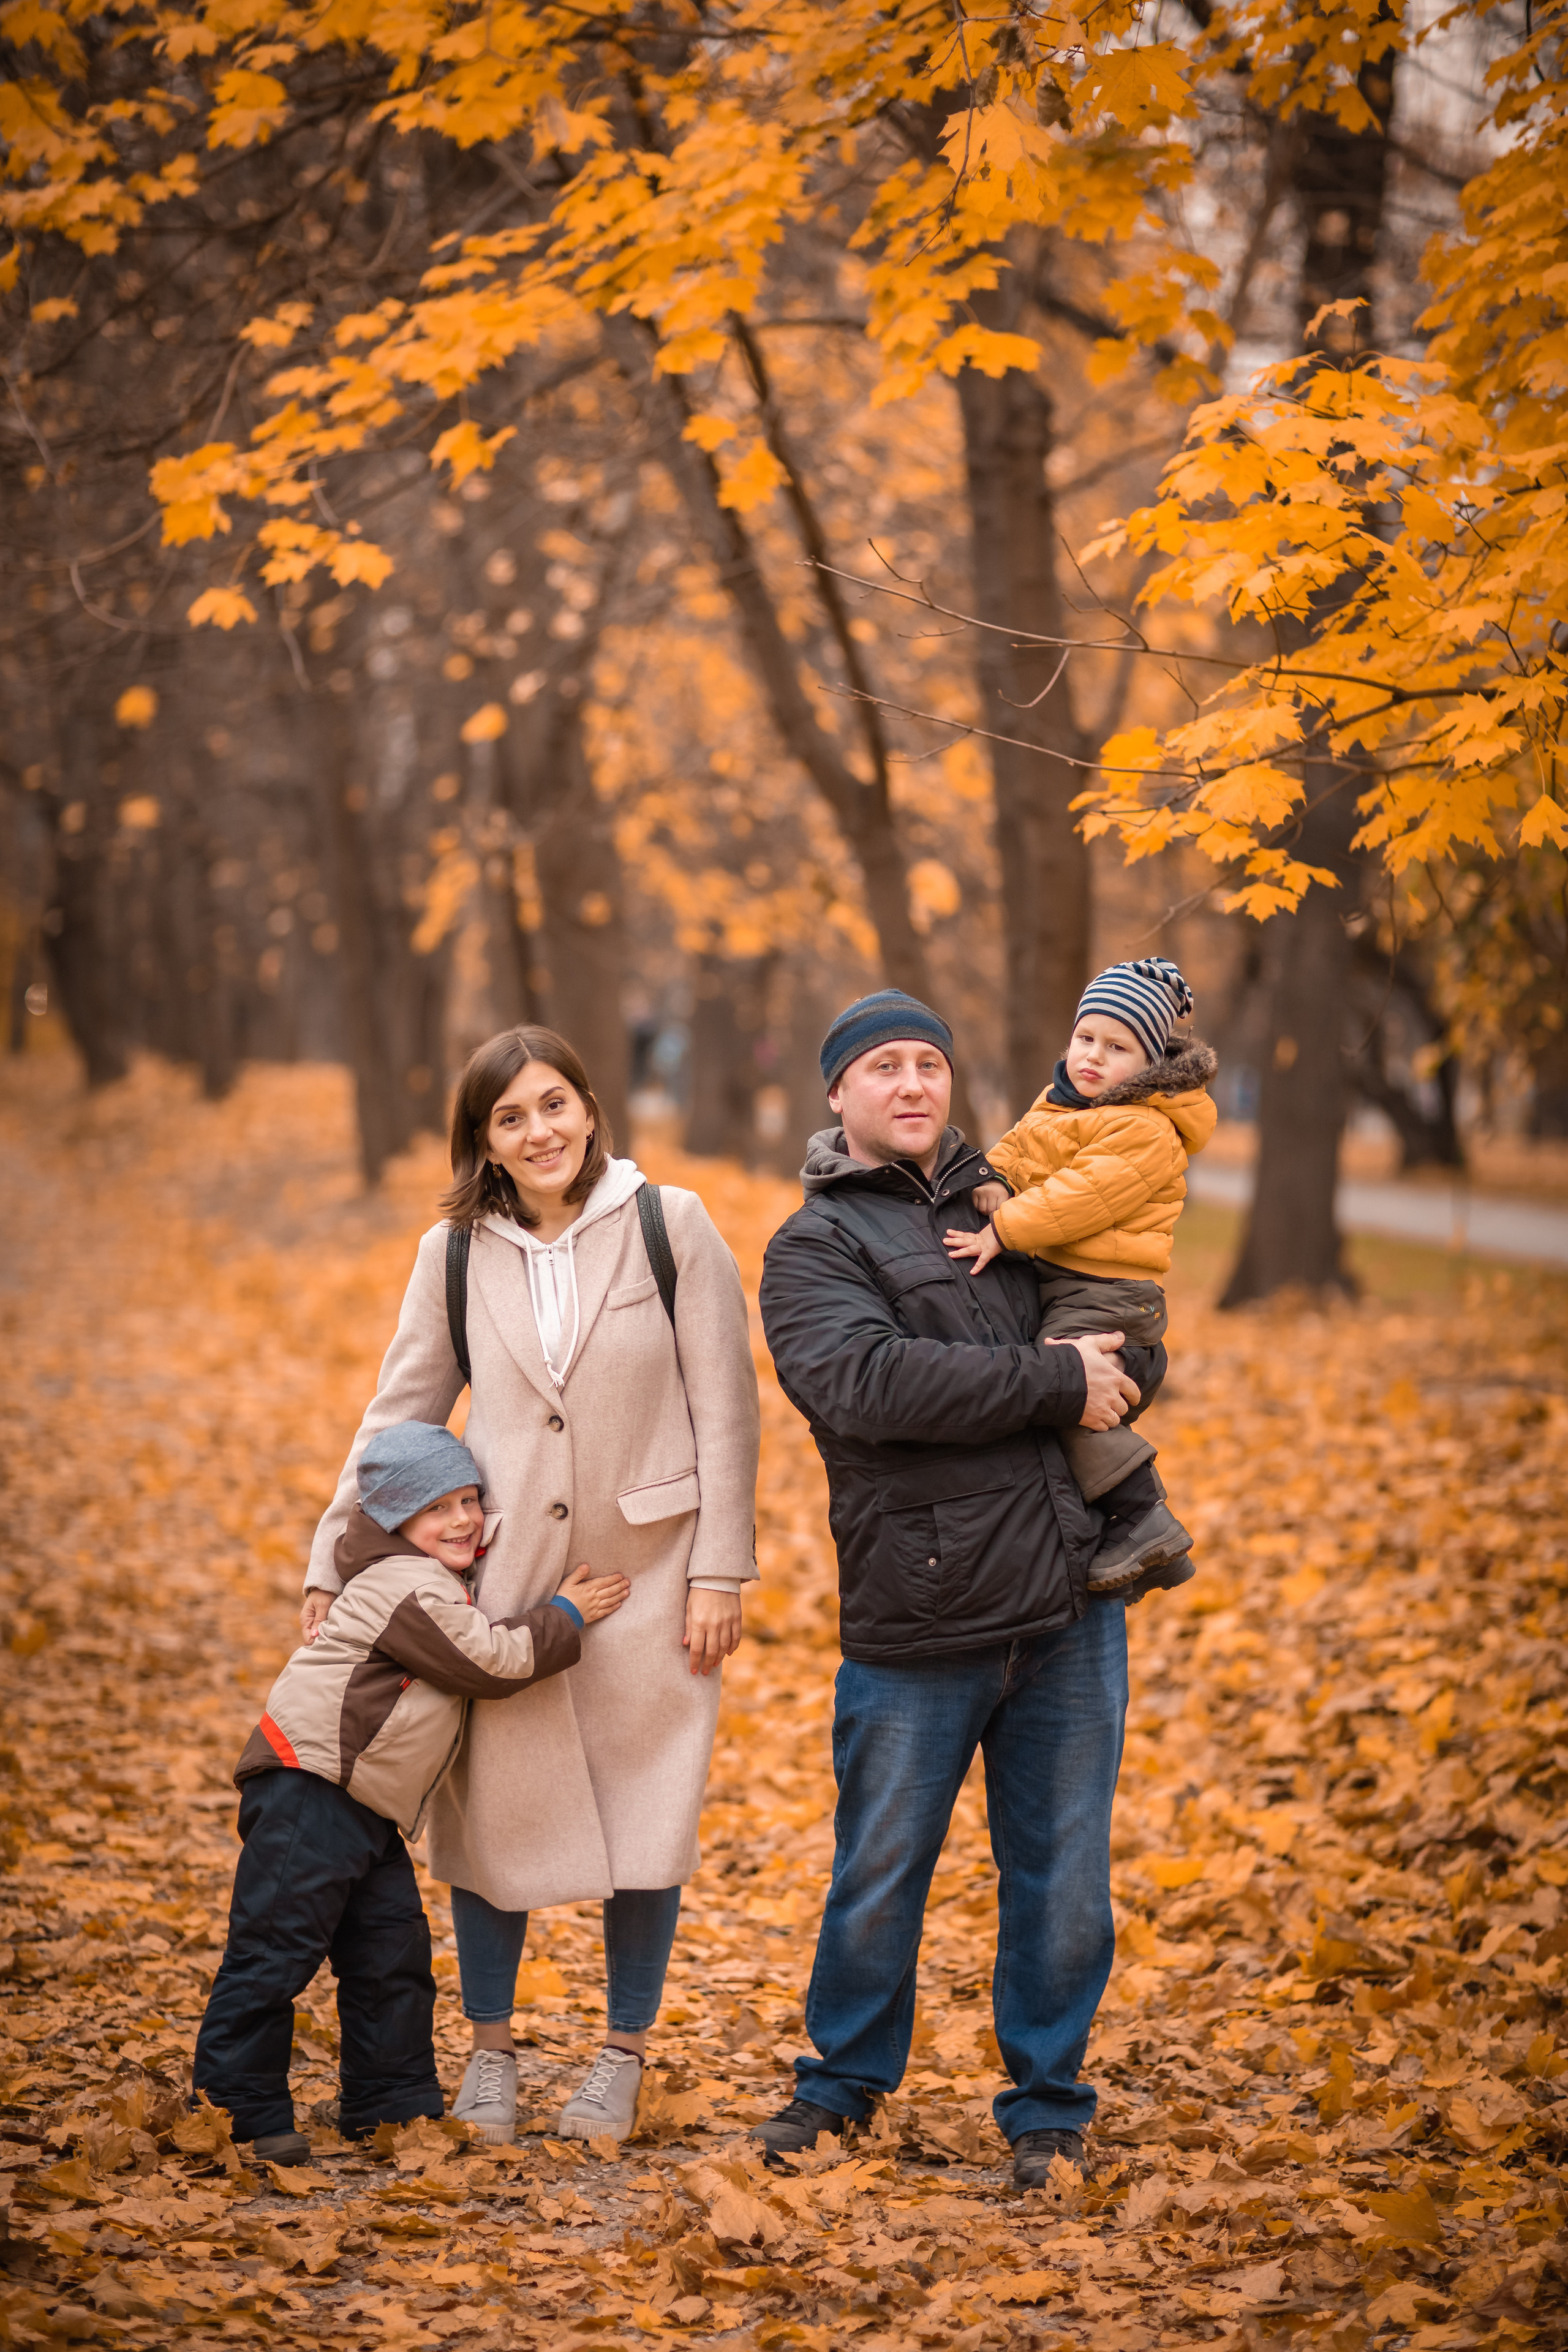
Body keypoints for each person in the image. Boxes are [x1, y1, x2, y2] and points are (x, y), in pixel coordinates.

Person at [299, 1027, 761, 2147]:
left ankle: (621, 2056)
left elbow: (727, 1404)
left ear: (590, 1109)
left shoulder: (671, 1224)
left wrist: (720, 1567)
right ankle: (493, 2054)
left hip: (651, 1576)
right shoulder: (453, 1254)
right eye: (510, 1118)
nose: (539, 1131)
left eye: (554, 1105)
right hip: (502, 1589)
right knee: (491, 1817)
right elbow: (401, 1415)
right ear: (485, 1142)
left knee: (653, 1819)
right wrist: (332, 1555)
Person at [755, 988, 1170, 2187]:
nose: (910, 1086)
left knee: (1064, 1884)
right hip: (920, 1613)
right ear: (836, 1093)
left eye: (927, 1064)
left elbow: (1122, 1340)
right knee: (880, 1873)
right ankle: (838, 2090)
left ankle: (1046, 2109)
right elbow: (868, 1390)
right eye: (881, 1066)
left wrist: (1111, 1366)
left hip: (1068, 1602)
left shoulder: (1016, 1207)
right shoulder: (815, 1246)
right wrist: (1049, 1381)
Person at [192, 1422, 627, 2165]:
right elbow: (485, 1663)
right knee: (275, 1949)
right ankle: (238, 2111)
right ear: (396, 1520)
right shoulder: (404, 1583)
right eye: (436, 1509)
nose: (461, 1520)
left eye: (468, 1500)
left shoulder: (432, 1578)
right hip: (311, 1786)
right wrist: (565, 1615)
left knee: (390, 1952)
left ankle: (391, 2104)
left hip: (364, 1805)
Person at [944, 955, 1217, 1595]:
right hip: (1070, 1281)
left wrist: (1003, 1227)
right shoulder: (1062, 1103)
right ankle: (1151, 1553)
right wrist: (987, 1176)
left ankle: (1143, 1515)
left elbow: (1079, 1197)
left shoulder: (1145, 1128)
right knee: (1055, 1381)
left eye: (1117, 1047)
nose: (1093, 1056)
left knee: (1062, 1378)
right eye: (1085, 1038)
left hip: (1111, 1292)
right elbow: (1020, 1146)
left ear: (1150, 1065)